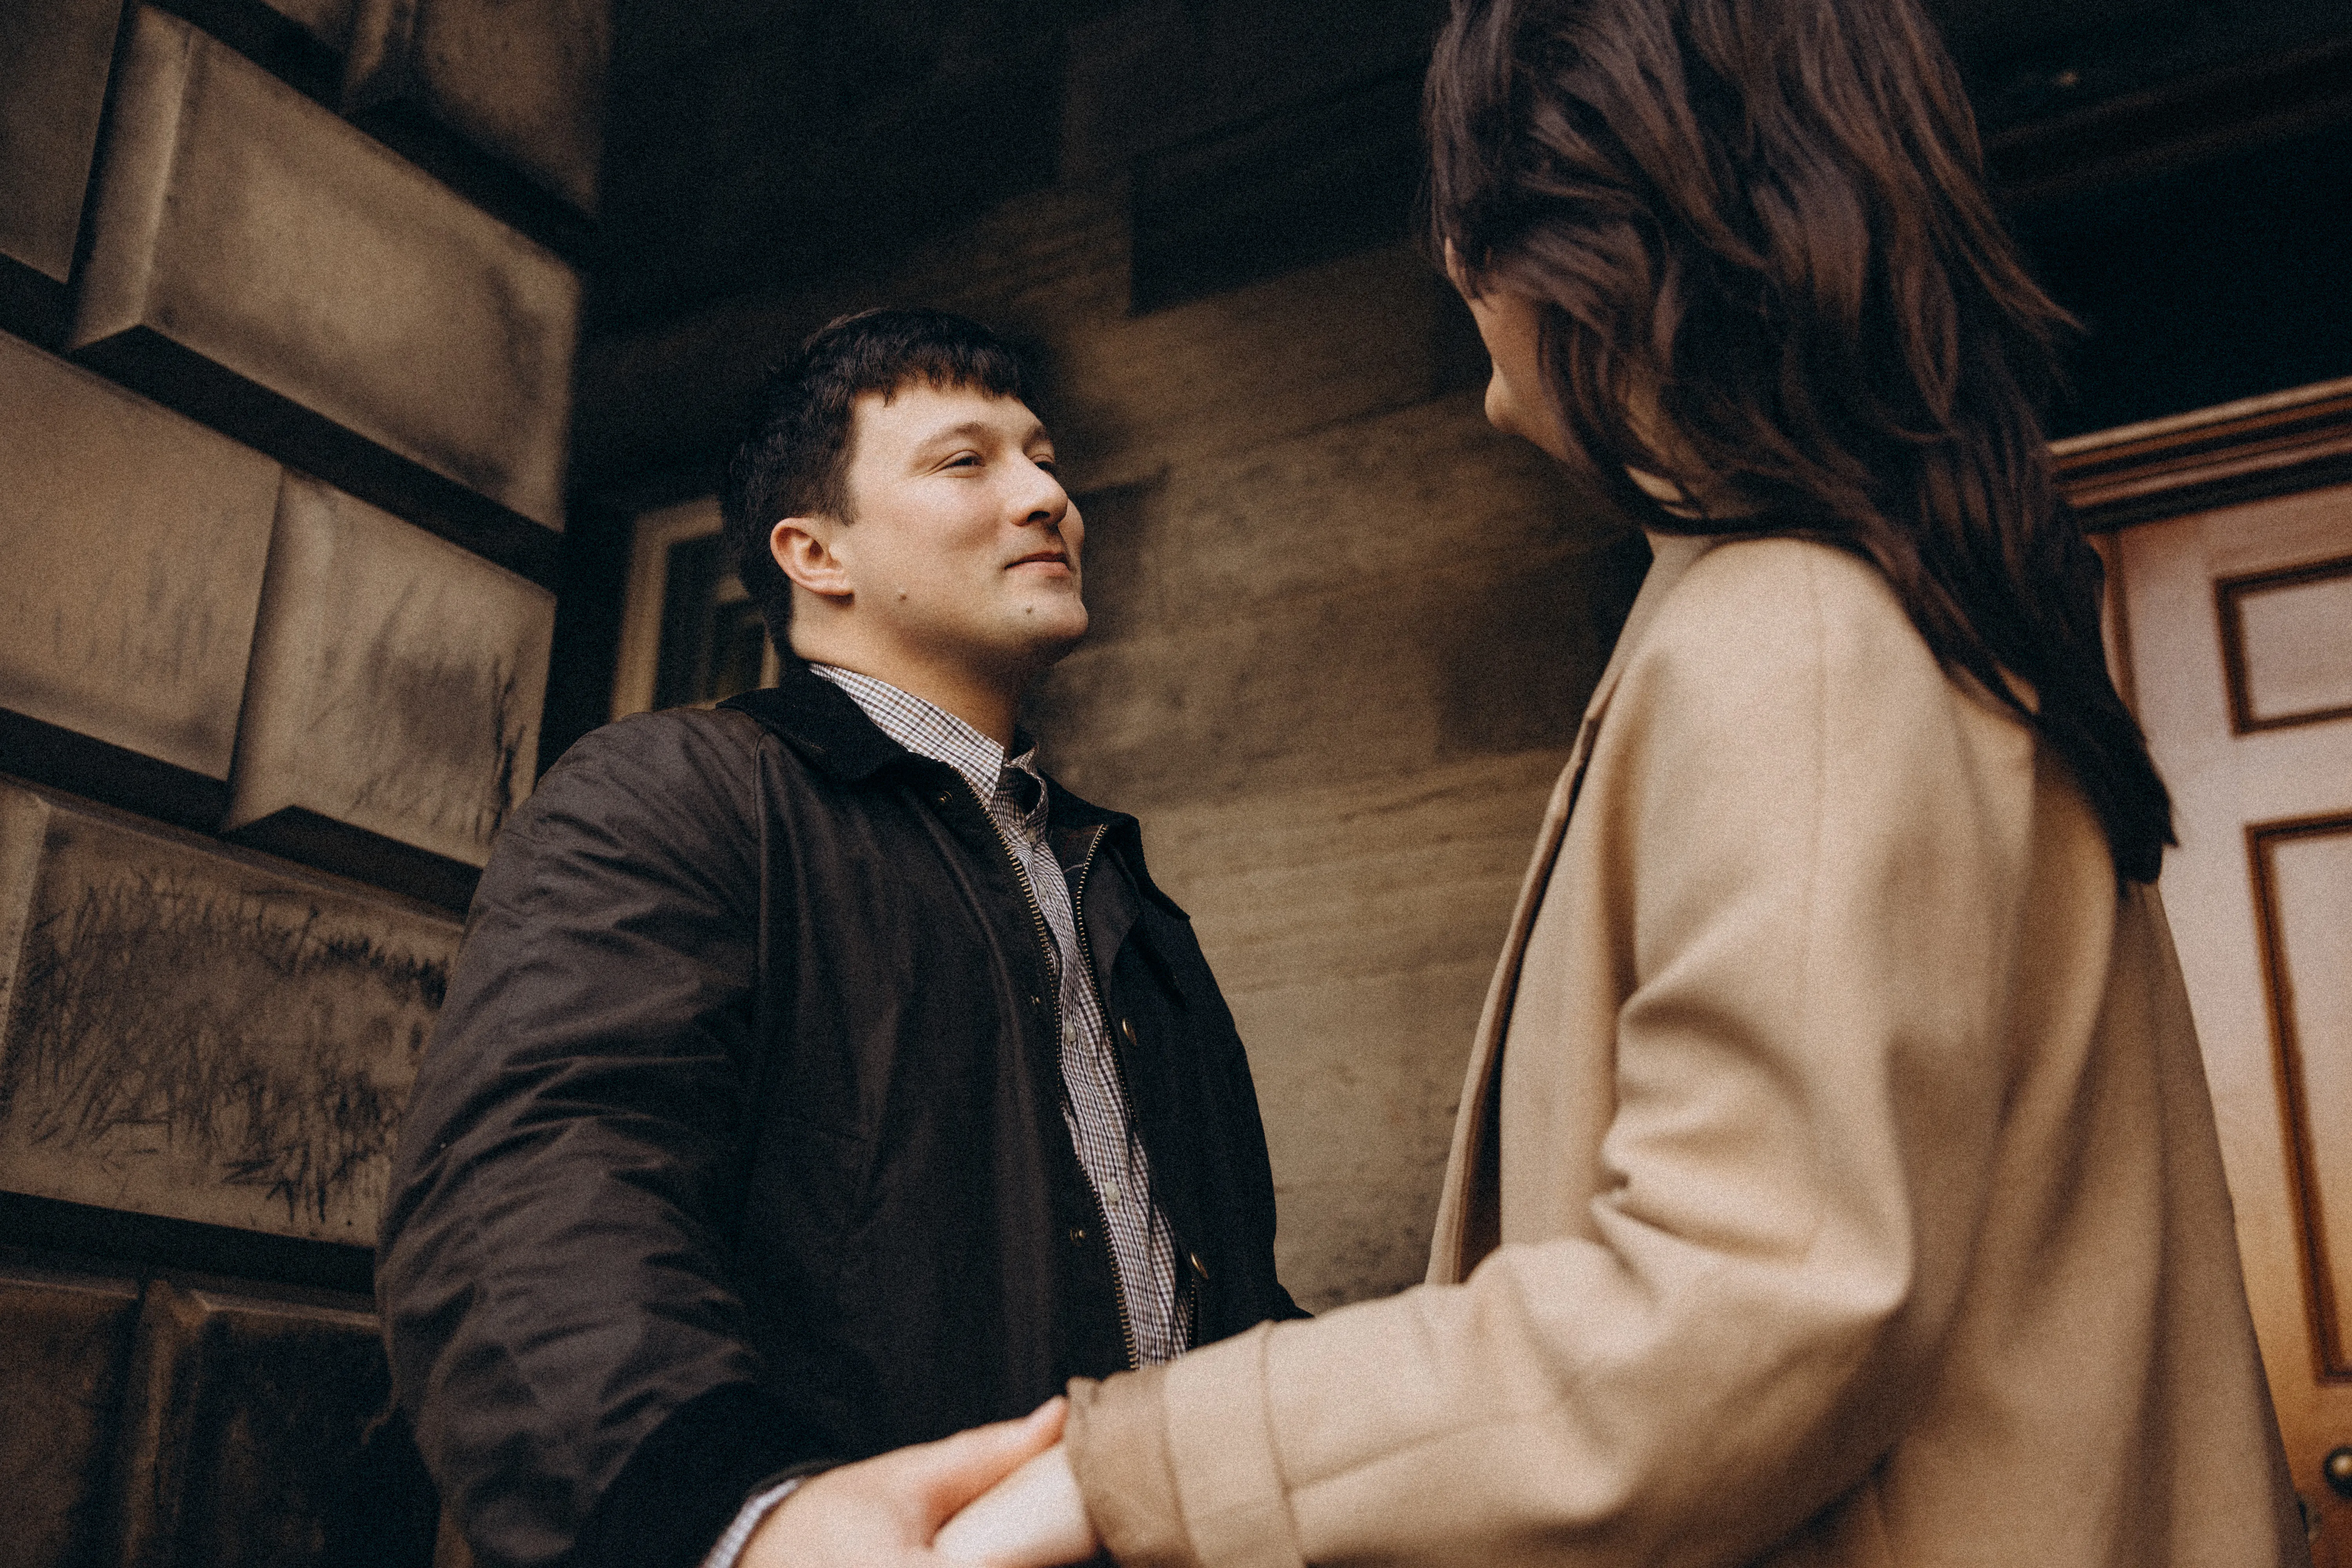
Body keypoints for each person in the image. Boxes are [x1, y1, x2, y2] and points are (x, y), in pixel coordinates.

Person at [931, 0, 2312, 1563]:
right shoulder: (1894, 611)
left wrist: (1114, 1476)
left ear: (1582, 229)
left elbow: (1745, 1306)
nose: (1451, 264)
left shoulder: (1790, 632)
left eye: (1468, 197)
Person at [376, 307, 1303, 1568]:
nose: (1048, 498)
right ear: (816, 554)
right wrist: (743, 1520)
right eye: (967, 462)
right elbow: (526, 1193)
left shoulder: (1122, 899)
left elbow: (1222, 1305)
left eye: (1046, 458)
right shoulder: (675, 792)